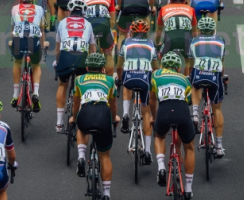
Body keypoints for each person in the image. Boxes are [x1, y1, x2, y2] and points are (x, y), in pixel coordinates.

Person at [71, 53, 119, 200]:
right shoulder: (110, 80)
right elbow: (113, 105)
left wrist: (74, 118)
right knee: (105, 156)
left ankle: (81, 157)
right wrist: (113, 118)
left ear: (87, 67)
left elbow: (76, 103)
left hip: (85, 112)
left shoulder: (79, 79)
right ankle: (106, 193)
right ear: (103, 68)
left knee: (81, 127)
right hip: (103, 114)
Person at [149, 52, 195, 200]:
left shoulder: (155, 75)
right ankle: (188, 188)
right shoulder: (185, 79)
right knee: (189, 147)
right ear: (178, 68)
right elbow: (188, 101)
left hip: (164, 110)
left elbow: (151, 100)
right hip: (181, 110)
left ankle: (161, 166)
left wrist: (155, 119)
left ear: (162, 65)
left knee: (160, 136)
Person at [117, 19, 158, 165]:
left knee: (126, 83)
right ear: (146, 32)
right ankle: (147, 151)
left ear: (132, 32)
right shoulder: (151, 44)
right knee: (146, 112)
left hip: (129, 76)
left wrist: (119, 79)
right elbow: (156, 68)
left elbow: (119, 66)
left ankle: (126, 113)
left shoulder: (126, 43)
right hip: (145, 79)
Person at [54, 0, 97, 132]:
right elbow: (93, 51)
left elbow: (57, 49)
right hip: (82, 58)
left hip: (66, 56)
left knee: (62, 85)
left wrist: (57, 62)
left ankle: (59, 123)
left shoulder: (62, 23)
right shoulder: (88, 24)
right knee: (81, 88)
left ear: (69, 12)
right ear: (83, 12)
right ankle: (78, 117)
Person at [187, 16, 226, 157]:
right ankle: (220, 146)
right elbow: (222, 64)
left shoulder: (194, 41)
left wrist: (190, 76)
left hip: (199, 74)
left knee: (194, 84)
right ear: (213, 30)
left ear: (199, 30)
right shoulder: (221, 41)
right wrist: (223, 77)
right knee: (217, 110)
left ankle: (196, 113)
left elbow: (191, 64)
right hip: (215, 77)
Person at [9, 0, 46, 112]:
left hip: (19, 41)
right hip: (34, 41)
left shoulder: (14, 9)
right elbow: (41, 30)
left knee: (17, 62)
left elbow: (13, 31)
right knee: (36, 65)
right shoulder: (40, 9)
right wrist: (43, 44)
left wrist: (11, 42)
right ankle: (35, 93)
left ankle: (15, 95)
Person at [154, 0, 198, 76]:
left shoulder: (164, 9)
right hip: (186, 39)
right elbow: (194, 33)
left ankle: (160, 80)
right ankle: (186, 82)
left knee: (163, 59)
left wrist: (157, 43)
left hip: (169, 39)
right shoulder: (191, 10)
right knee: (187, 60)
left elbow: (159, 31)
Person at [80, 0, 117, 76]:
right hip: (104, 24)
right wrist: (110, 30)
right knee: (108, 53)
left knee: (85, 50)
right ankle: (110, 81)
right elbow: (113, 20)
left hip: (88, 24)